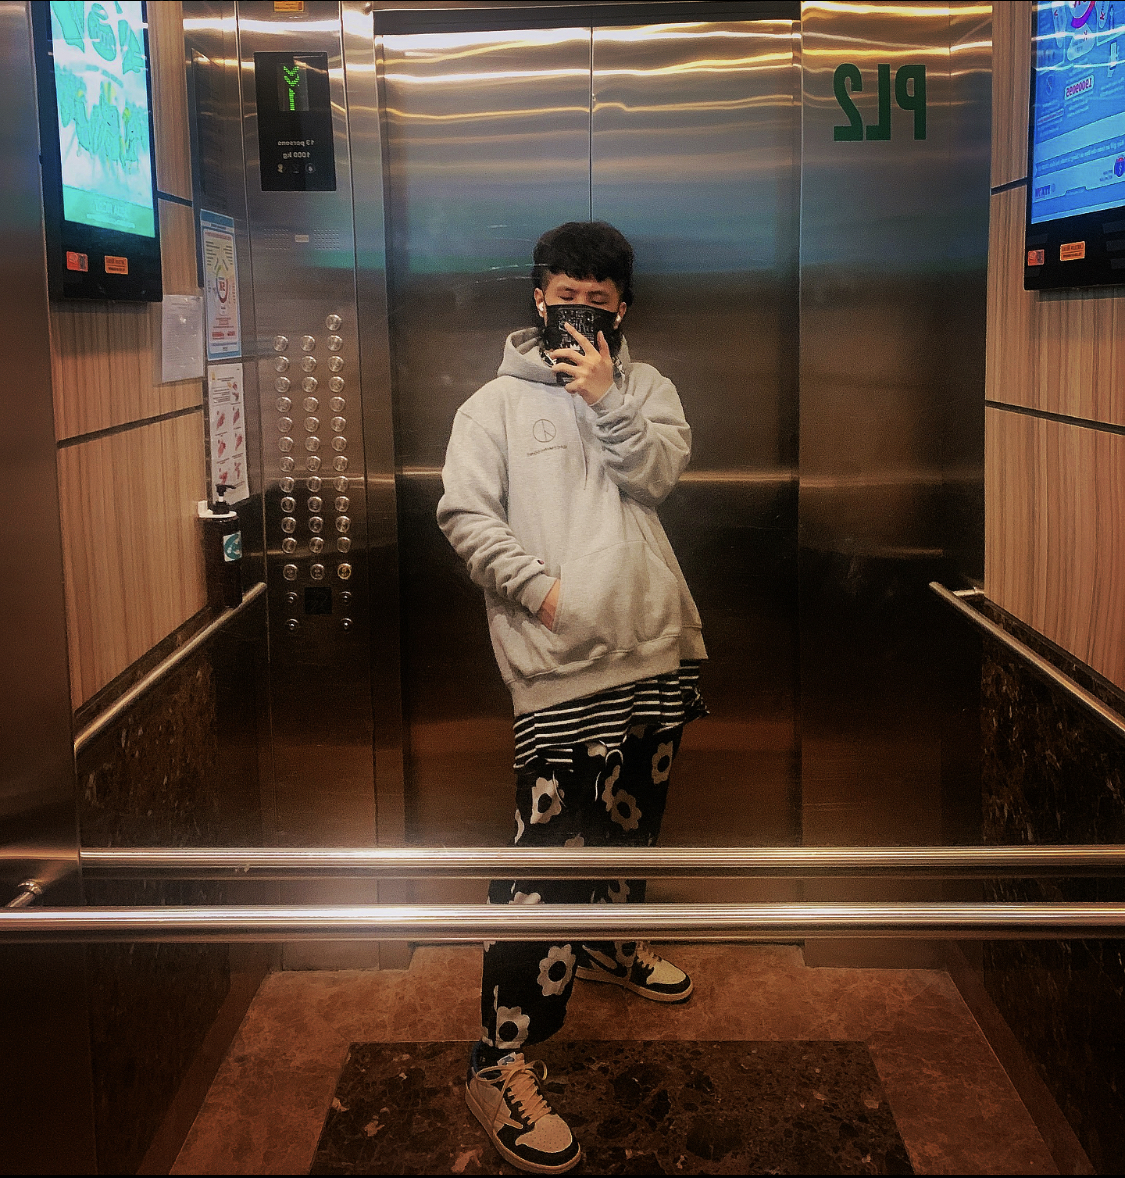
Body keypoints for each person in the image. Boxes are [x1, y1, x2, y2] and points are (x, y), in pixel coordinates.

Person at [437, 220, 707, 1174]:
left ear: (621, 307)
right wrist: (544, 594)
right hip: (559, 664)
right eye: (564, 298)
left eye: (597, 302)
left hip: (657, 648)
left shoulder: (647, 388)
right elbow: (464, 516)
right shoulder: (492, 406)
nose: (580, 315)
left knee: (633, 828)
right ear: (536, 298)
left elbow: (657, 476)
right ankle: (498, 1058)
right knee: (546, 863)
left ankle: (610, 945)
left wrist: (606, 399)